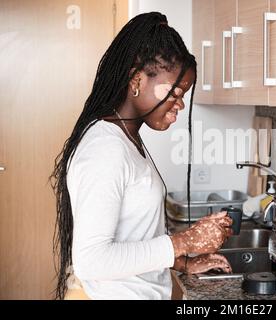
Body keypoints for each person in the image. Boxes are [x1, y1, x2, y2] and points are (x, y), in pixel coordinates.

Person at [50, 12, 232, 300]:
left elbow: (135, 234)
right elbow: (92, 260)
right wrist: (185, 242)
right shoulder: (104, 149)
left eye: (183, 93)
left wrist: (183, 261)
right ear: (136, 81)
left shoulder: (127, 138)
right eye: (173, 92)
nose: (180, 104)